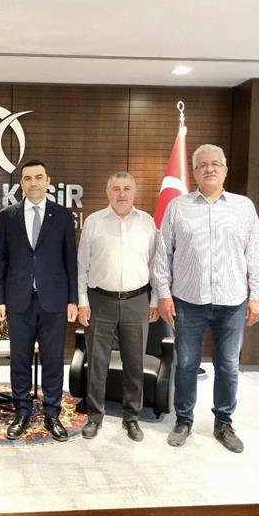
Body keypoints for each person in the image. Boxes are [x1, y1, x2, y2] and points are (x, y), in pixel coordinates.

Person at [152, 144, 259, 453]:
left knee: (228, 365)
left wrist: (257, 295)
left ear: (225, 170)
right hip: (188, 300)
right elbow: (162, 255)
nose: (209, 168)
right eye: (202, 164)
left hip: (232, 302)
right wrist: (163, 294)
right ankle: (184, 420)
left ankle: (224, 423)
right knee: (186, 363)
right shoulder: (178, 207)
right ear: (194, 172)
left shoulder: (244, 207)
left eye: (215, 163)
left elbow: (256, 255)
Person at [0, 159, 78, 441]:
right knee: (20, 360)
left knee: (53, 359)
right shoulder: (8, 216)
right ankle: (22, 411)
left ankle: (52, 412)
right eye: (28, 178)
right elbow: (1, 261)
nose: (33, 183)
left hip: (54, 301)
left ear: (47, 181)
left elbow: (70, 260)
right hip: (18, 301)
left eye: (38, 177)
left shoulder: (62, 215)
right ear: (21, 183)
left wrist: (73, 299)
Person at [77, 171, 158, 441]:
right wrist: (82, 301)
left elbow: (155, 265)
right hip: (100, 300)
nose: (121, 194)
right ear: (107, 192)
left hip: (137, 301)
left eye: (126, 188)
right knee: (97, 363)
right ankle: (94, 417)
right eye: (116, 188)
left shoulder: (147, 222)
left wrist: (155, 300)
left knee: (134, 363)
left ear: (134, 192)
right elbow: (82, 266)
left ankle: (131, 417)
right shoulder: (94, 222)